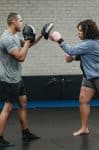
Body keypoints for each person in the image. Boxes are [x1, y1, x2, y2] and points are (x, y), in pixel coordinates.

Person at [0, 12, 53, 147]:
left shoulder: (15, 36)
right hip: (9, 80)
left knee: (23, 103)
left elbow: (28, 44)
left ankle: (25, 133)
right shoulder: (7, 39)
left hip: (17, 78)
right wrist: (28, 40)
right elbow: (20, 57)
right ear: (13, 21)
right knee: (7, 108)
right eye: (20, 20)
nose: (22, 23)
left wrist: (41, 33)